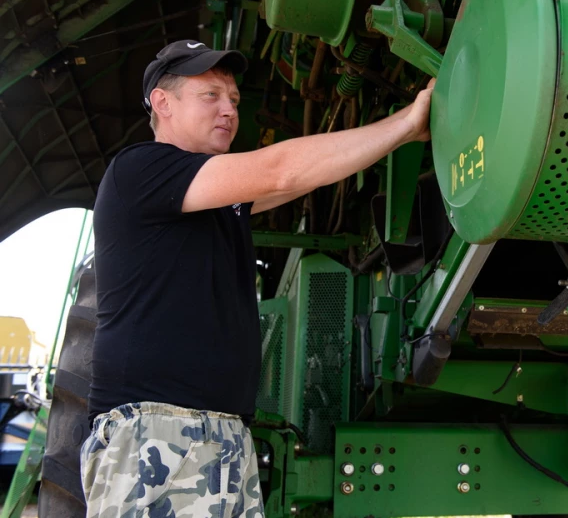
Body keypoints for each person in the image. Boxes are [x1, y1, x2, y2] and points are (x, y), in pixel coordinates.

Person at [81, 40, 433, 517]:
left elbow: (308, 176)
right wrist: (404, 123)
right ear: (162, 103)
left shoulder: (217, 198)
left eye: (234, 100)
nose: (228, 109)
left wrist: (398, 137)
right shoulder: (140, 169)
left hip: (222, 434)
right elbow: (281, 172)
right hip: (157, 433)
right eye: (211, 96)